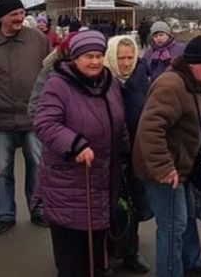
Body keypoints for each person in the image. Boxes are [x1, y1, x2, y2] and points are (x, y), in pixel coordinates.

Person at [33, 30, 131, 277]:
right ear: (75, 58)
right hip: (69, 180)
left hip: (104, 178)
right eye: (89, 56)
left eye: (99, 56)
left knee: (98, 242)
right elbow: (45, 122)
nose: (95, 62)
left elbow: (119, 122)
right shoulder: (57, 84)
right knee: (73, 249)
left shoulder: (109, 83)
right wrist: (75, 145)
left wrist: (126, 152)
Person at [134, 36, 201, 277]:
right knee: (173, 224)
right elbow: (149, 130)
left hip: (182, 166)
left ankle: (191, 261)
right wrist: (164, 168)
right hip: (162, 169)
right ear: (194, 65)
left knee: (188, 216)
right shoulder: (171, 86)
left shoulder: (192, 84)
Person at [0, 0, 52, 235]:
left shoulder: (38, 40)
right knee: (3, 169)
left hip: (33, 117)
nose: (19, 18)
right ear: (2, 18)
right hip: (1, 119)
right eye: (14, 15)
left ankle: (38, 209)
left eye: (21, 13)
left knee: (37, 165)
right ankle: (5, 214)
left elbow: (51, 73)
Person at [105, 35, 152, 274]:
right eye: (120, 58)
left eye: (130, 58)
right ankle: (104, 253)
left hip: (135, 153)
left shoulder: (141, 78)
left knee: (131, 204)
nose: (125, 63)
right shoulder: (102, 80)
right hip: (107, 154)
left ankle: (130, 252)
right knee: (108, 204)